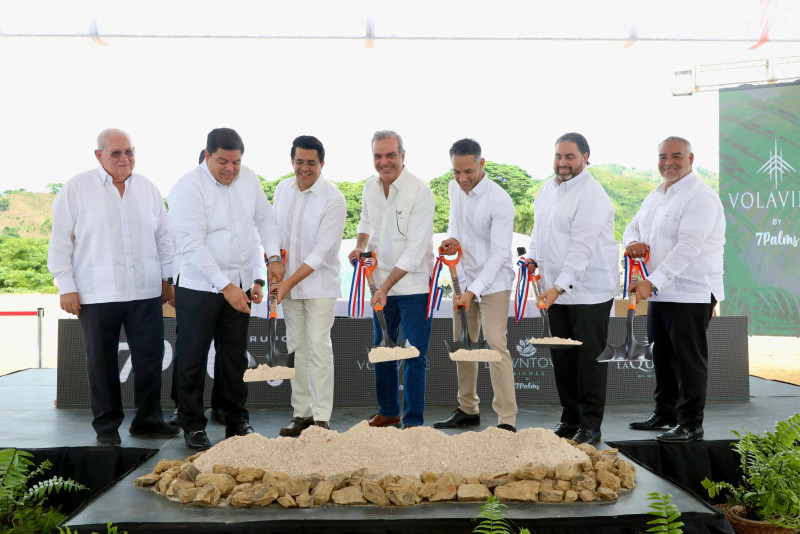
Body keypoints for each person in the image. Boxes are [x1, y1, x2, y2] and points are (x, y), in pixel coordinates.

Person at [48, 128, 179, 447]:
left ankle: (148, 421)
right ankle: (107, 426)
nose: (125, 158)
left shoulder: (148, 188)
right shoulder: (77, 188)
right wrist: (66, 286)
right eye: (117, 153)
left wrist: (167, 278)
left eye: (130, 152)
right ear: (99, 155)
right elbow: (61, 240)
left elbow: (164, 237)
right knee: (101, 361)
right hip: (96, 293)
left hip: (146, 292)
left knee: (150, 358)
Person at [167, 127, 283, 450]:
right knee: (192, 357)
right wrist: (227, 286)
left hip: (241, 285)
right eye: (222, 162)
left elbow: (264, 221)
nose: (230, 169)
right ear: (207, 155)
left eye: (236, 162)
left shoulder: (249, 180)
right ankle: (192, 424)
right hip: (199, 287)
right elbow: (191, 244)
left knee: (234, 358)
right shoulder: (187, 187)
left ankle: (237, 421)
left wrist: (268, 262)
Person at [626, 136, 725, 443]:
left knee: (688, 360)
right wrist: (632, 243)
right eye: (662, 156)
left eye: (676, 156)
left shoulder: (701, 197)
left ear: (691, 158)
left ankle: (691, 423)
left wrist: (652, 281)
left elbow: (689, 247)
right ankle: (665, 413)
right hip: (661, 292)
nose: (668, 162)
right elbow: (634, 225)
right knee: (663, 357)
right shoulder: (656, 195)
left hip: (691, 292)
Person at [526, 132, 619, 445]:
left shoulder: (592, 194)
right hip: (555, 291)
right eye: (558, 156)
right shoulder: (547, 189)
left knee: (589, 360)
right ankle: (570, 418)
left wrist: (556, 288)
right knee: (564, 358)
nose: (562, 163)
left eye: (569, 157)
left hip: (589, 291)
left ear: (585, 157)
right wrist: (531, 258)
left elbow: (582, 248)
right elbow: (539, 232)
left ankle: (591, 426)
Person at [348, 130, 434, 429]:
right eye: (378, 156)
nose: (384, 162)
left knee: (412, 356)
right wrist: (360, 245)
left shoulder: (420, 192)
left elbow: (414, 251)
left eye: (390, 155)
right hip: (380, 285)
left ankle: (412, 424)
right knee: (383, 351)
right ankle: (388, 412)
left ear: (402, 155)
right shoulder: (370, 188)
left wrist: (384, 287)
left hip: (413, 289)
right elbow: (365, 221)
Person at [433, 139, 518, 432]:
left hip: (494, 283)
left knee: (495, 344)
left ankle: (506, 420)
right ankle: (468, 409)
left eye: (468, 171)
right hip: (464, 279)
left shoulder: (500, 200)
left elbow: (498, 255)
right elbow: (455, 225)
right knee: (464, 347)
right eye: (456, 172)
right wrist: (452, 240)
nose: (462, 178)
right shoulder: (454, 187)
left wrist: (473, 291)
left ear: (482, 164)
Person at [270, 135, 346, 436]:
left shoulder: (334, 199)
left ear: (321, 164)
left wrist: (287, 282)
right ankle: (301, 415)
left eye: (311, 163)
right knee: (296, 349)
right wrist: (274, 265)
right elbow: (274, 234)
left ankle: (322, 418)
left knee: (317, 348)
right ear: (292, 161)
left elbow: (322, 251)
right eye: (299, 161)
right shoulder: (281, 189)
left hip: (320, 288)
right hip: (288, 287)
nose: (304, 168)